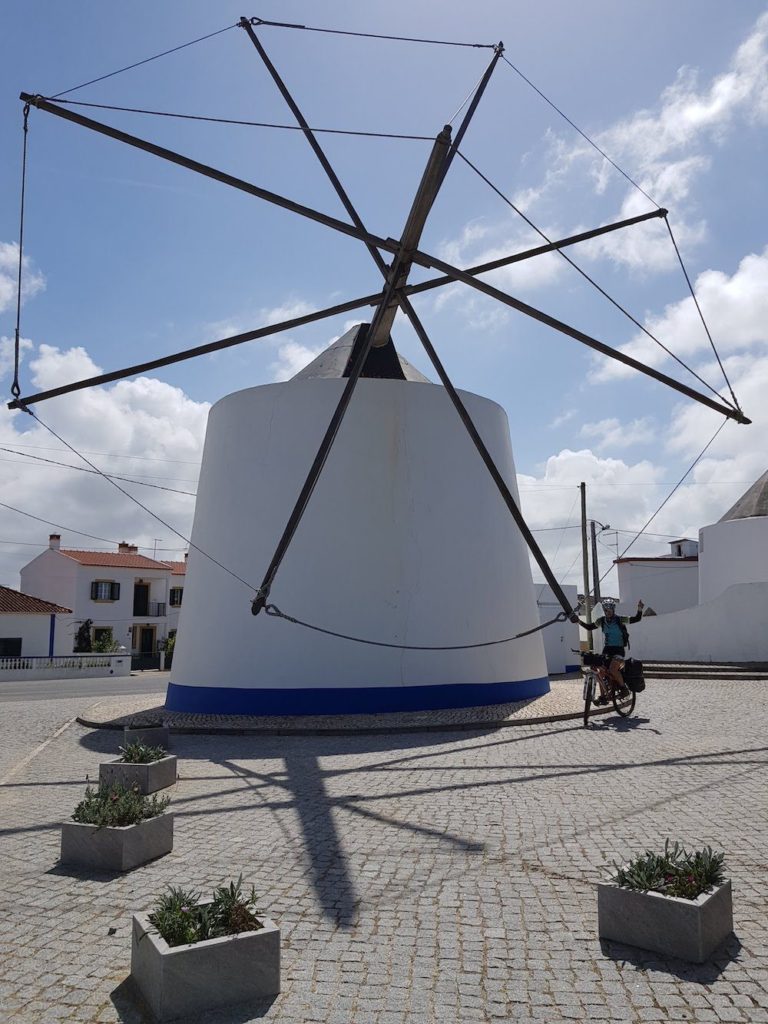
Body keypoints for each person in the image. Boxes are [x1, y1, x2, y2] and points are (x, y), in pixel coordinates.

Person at [585, 598, 644, 703]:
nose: (607, 611)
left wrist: (639, 609)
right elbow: (589, 627)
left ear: (613, 610)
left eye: (609, 609)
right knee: (600, 672)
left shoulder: (619, 620)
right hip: (607, 649)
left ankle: (623, 689)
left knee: (613, 669)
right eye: (605, 609)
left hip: (619, 650)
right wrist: (578, 621)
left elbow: (636, 619)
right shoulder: (601, 621)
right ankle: (603, 696)